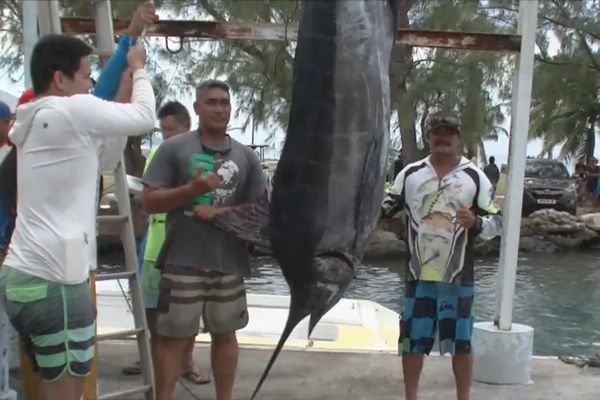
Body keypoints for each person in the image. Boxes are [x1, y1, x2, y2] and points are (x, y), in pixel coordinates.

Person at [0, 23, 156, 400]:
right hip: (55, 281)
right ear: (60, 78)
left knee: (57, 386)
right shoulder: (71, 110)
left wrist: (119, 95)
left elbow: (102, 155)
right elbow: (145, 118)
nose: (90, 84)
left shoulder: (35, 118)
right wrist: (138, 68)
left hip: (25, 277)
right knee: (68, 393)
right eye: (86, 75)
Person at [141, 80, 266, 400]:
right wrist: (190, 192)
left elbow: (260, 210)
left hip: (229, 264)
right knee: (172, 340)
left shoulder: (246, 156)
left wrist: (220, 214)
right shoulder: (173, 149)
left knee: (226, 336)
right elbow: (150, 201)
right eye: (211, 102)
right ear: (196, 108)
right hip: (182, 262)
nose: (219, 108)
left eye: (225, 102)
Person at [381, 111, 502, 400]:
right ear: (428, 137)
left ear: (458, 137)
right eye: (437, 132)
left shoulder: (475, 176)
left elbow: (499, 222)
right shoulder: (409, 174)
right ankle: (411, 396)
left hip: (458, 278)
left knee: (461, 343)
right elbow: (384, 209)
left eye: (449, 132)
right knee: (412, 342)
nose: (443, 137)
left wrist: (477, 223)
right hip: (417, 275)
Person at [122, 101, 211, 385]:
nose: (165, 137)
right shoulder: (157, 155)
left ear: (187, 126)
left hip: (188, 244)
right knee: (150, 305)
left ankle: (186, 360)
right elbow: (150, 198)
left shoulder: (199, 156)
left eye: (171, 131)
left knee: (188, 307)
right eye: (162, 131)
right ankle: (153, 353)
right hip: (153, 242)